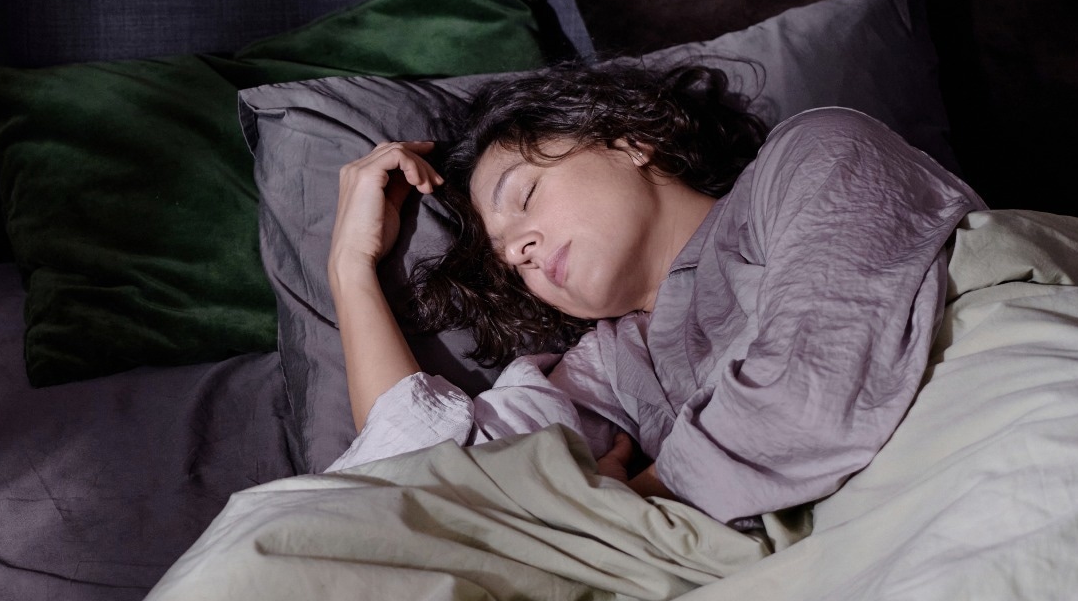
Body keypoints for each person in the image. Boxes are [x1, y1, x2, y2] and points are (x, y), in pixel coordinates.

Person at [325, 62, 985, 524]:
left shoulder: (814, 154)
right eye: (509, 260)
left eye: (524, 195)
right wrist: (351, 272)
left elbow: (815, 383)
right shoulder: (613, 364)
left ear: (630, 140)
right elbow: (423, 487)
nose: (520, 250)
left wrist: (624, 504)